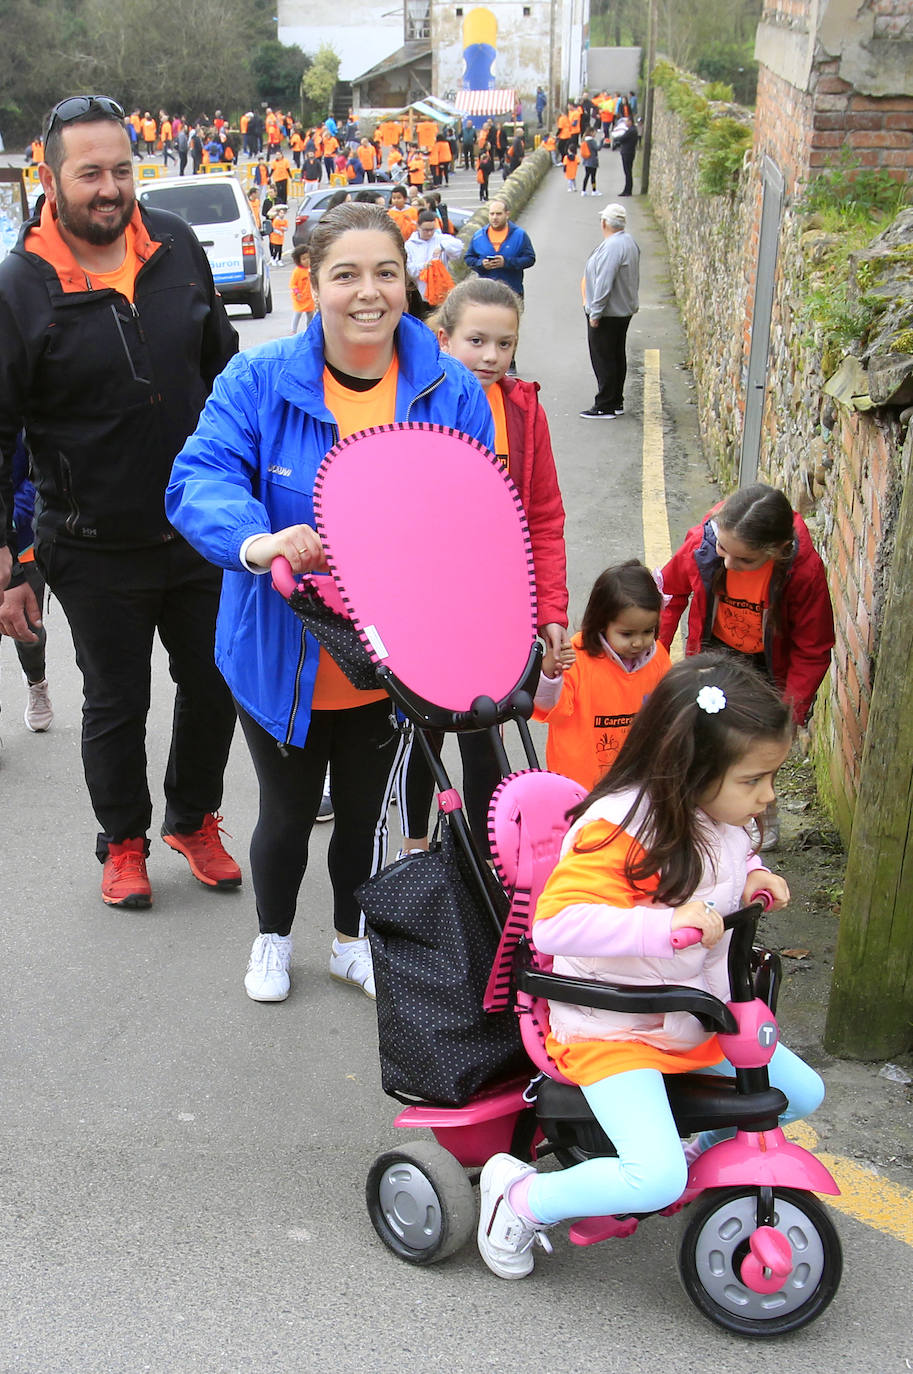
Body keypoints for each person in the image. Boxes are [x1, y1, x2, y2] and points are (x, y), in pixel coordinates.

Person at [165, 203, 495, 1004]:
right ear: (311, 285)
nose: (368, 292)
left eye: (385, 272)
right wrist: (260, 541)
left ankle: (351, 939)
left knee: (360, 817)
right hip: (279, 646)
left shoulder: (449, 388)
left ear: (407, 282)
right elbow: (198, 479)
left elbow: (478, 507)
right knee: (284, 812)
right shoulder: (256, 379)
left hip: (389, 657)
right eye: (345, 274)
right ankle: (272, 941)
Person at [475, 654, 826, 1279]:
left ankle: (690, 1154)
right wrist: (666, 925)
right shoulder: (618, 830)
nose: (767, 796)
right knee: (653, 1177)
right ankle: (523, 1198)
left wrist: (754, 876)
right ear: (689, 769)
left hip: (697, 1013)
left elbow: (731, 860)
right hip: (614, 1028)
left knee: (801, 1093)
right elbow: (556, 923)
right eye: (755, 780)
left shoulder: (721, 817)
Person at [0, 94, 241, 907]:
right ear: (52, 177)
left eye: (122, 170)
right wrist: (8, 555)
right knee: (116, 700)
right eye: (90, 172)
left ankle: (193, 818)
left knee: (214, 680)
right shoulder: (17, 287)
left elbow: (223, 370)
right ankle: (125, 842)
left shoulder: (174, 244)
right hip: (91, 538)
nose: (109, 188)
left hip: (201, 526)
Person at [397, 276, 568, 858]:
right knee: (423, 733)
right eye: (476, 341)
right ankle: (417, 850)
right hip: (423, 606)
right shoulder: (414, 401)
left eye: (504, 344)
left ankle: (487, 859)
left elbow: (543, 517)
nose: (491, 357)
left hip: (497, 608)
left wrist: (550, 610)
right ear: (443, 338)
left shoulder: (523, 410)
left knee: (486, 741)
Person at [658, 485, 835, 849]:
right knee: (705, 735)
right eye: (723, 551)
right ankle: (704, 815)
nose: (728, 564)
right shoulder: (702, 545)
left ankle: (759, 814)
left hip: (768, 666)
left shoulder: (803, 572)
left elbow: (812, 647)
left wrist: (791, 709)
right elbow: (669, 591)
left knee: (754, 746)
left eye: (744, 560)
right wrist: (653, 655)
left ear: (780, 551)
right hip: (714, 654)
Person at [534, 561, 670, 790]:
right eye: (627, 634)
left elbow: (667, 709)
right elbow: (550, 708)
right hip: (578, 785)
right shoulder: (576, 657)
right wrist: (549, 672)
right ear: (601, 623)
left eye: (648, 631)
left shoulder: (657, 658)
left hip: (634, 781)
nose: (639, 642)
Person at [2, 435, 54, 732]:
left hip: (20, 546)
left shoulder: (16, 411)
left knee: (27, 631)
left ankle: (37, 682)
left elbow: (36, 479)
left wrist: (7, 523)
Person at [580, 202, 639, 420]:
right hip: (622, 311)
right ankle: (615, 400)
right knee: (615, 355)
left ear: (604, 222)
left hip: (608, 312)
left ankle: (605, 404)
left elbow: (604, 282)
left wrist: (595, 313)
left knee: (603, 357)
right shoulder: (628, 242)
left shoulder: (612, 247)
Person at [464, 199, 536, 300]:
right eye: (492, 214)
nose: (494, 218)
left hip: (512, 292)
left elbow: (530, 259)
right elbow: (469, 258)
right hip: (486, 293)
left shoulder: (519, 235)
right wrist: (481, 264)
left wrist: (506, 263)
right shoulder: (478, 236)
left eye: (498, 214)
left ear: (507, 214)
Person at [404, 209, 463, 313]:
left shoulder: (441, 239)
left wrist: (443, 247)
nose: (430, 233)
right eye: (426, 230)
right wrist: (424, 266)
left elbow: (459, 246)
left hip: (440, 293)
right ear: (418, 227)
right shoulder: (410, 246)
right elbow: (409, 270)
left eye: (432, 229)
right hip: (421, 294)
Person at [612, 116, 638, 197]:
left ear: (630, 122)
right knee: (627, 172)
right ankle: (627, 190)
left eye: (627, 122)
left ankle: (628, 190)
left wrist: (618, 139)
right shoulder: (632, 130)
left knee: (627, 172)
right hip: (628, 152)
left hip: (628, 152)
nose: (626, 123)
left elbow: (622, 138)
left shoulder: (631, 131)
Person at [579, 129, 599, 196]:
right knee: (593, 177)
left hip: (586, 161)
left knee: (586, 176)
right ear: (591, 133)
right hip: (593, 161)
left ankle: (583, 190)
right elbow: (597, 148)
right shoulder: (592, 141)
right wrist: (602, 142)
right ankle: (594, 190)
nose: (595, 134)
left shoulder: (584, 140)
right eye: (594, 132)